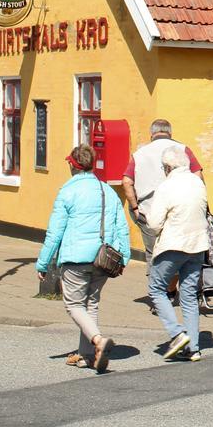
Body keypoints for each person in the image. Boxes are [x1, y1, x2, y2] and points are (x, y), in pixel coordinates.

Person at [35, 145, 128, 372]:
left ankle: (97, 341)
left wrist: (43, 262)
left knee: (74, 305)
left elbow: (55, 232)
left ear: (72, 165)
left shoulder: (67, 192)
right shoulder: (107, 190)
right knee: (91, 304)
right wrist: (123, 257)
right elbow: (122, 227)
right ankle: (89, 356)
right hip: (102, 258)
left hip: (75, 258)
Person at [145, 146, 210, 361]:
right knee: (189, 295)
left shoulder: (166, 186)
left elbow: (154, 224)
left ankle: (177, 333)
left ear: (167, 167)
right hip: (198, 244)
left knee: (156, 289)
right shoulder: (198, 182)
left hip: (174, 244)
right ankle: (194, 347)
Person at [121, 119, 203, 264]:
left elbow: (127, 182)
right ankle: (175, 284)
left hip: (148, 211)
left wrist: (135, 208)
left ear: (151, 134)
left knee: (154, 255)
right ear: (170, 133)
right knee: (182, 253)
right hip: (180, 211)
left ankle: (157, 284)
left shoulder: (139, 153)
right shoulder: (183, 149)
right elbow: (198, 176)